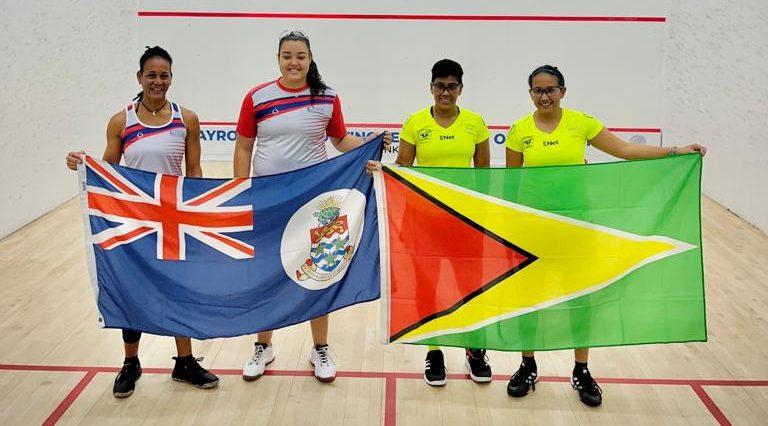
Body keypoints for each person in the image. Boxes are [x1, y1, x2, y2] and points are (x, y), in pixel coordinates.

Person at [505, 65, 707, 407]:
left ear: (563, 91)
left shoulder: (582, 123)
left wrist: (675, 152)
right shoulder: (518, 131)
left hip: (579, 228)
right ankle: (527, 366)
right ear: (530, 94)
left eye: (550, 89)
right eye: (537, 91)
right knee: (531, 301)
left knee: (581, 300)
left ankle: (581, 370)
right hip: (536, 231)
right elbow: (510, 186)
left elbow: (626, 151)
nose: (544, 96)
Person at [234, 30, 390, 383]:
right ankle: (263, 346)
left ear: (310, 58)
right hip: (266, 200)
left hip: (313, 201)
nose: (294, 62)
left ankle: (320, 348)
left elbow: (339, 140)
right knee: (265, 271)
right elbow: (244, 147)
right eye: (287, 55)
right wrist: (241, 191)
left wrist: (371, 145)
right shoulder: (257, 97)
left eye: (300, 55)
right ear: (278, 59)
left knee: (319, 272)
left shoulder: (327, 97)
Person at [66, 46, 219, 398]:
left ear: (171, 78)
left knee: (179, 288)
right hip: (133, 219)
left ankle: (185, 362)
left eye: (164, 75)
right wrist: (81, 163)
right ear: (139, 78)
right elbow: (107, 171)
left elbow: (194, 171)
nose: (158, 81)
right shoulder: (122, 121)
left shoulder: (187, 119)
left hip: (174, 220)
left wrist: (199, 217)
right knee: (131, 288)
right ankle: (130, 363)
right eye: (151, 75)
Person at [395, 59, 493, 387]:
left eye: (452, 86)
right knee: (428, 286)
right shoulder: (415, 123)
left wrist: (480, 219)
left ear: (461, 89)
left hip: (464, 221)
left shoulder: (476, 124)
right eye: (440, 85)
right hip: (424, 221)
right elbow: (403, 169)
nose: (446, 92)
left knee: (471, 287)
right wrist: (380, 171)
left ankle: (473, 348)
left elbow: (483, 178)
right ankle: (434, 350)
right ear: (431, 87)